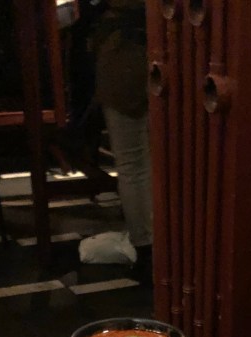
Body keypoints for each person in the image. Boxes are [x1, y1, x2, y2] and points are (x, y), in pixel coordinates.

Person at [75, 0, 152, 281]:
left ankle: (147, 251)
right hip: (168, 45)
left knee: (133, 164)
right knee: (154, 161)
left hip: (122, 50)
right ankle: (164, 247)